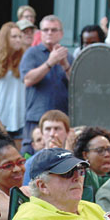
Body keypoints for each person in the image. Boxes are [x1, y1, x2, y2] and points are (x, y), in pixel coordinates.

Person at [20, 15, 73, 154]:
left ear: (61, 33)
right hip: (36, 118)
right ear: (40, 33)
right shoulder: (32, 53)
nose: (50, 33)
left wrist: (66, 65)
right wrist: (50, 62)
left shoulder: (67, 55)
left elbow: (78, 87)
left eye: (54, 30)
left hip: (61, 120)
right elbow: (28, 80)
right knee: (30, 155)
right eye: (46, 30)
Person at [0, 22, 25, 145]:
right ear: (5, 39)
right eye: (14, 37)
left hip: (21, 116)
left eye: (20, 36)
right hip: (3, 116)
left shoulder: (25, 60)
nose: (18, 40)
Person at [72, 126, 110, 201]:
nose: (107, 154)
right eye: (100, 150)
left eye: (109, 149)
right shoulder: (80, 176)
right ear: (85, 155)